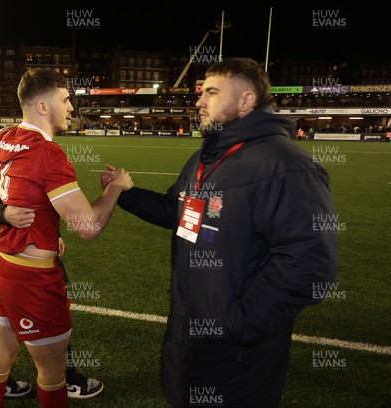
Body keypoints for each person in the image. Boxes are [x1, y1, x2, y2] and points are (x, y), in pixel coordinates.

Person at [106, 58, 338, 407]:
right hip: (189, 334)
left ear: (246, 101)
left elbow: (310, 266)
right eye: (201, 93)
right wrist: (126, 194)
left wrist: (238, 325)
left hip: (239, 352)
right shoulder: (205, 159)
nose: (199, 102)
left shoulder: (288, 166)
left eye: (212, 93)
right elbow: (179, 210)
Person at [0, 67, 132, 408]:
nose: (71, 108)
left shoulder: (1, 138)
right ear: (43, 107)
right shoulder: (49, 155)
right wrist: (115, 189)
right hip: (31, 281)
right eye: (65, 100)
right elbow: (88, 227)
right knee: (52, 375)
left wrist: (42, 228)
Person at [0, 166, 105, 400]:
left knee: (6, 341)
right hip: (20, 262)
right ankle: (62, 377)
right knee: (44, 324)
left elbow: (43, 200)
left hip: (26, 255)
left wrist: (54, 233)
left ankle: (54, 374)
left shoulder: (24, 146)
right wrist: (115, 190)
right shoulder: (31, 150)